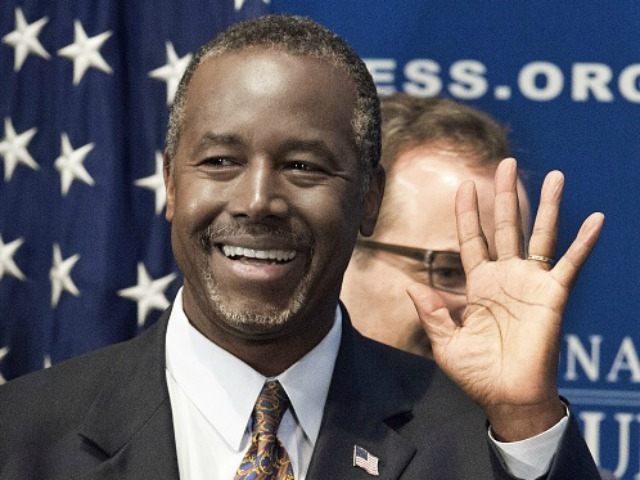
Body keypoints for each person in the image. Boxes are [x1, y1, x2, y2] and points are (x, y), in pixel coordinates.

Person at [0, 15, 604, 480]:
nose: (258, 199)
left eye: (303, 166)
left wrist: (526, 420)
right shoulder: (22, 434)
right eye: (220, 161)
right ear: (171, 183)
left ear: (368, 198)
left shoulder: (481, 441)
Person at [342, 95, 531, 358]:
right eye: (449, 271)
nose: (483, 310)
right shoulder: (274, 397)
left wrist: (527, 402)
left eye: (506, 281)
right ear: (343, 253)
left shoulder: (531, 400)